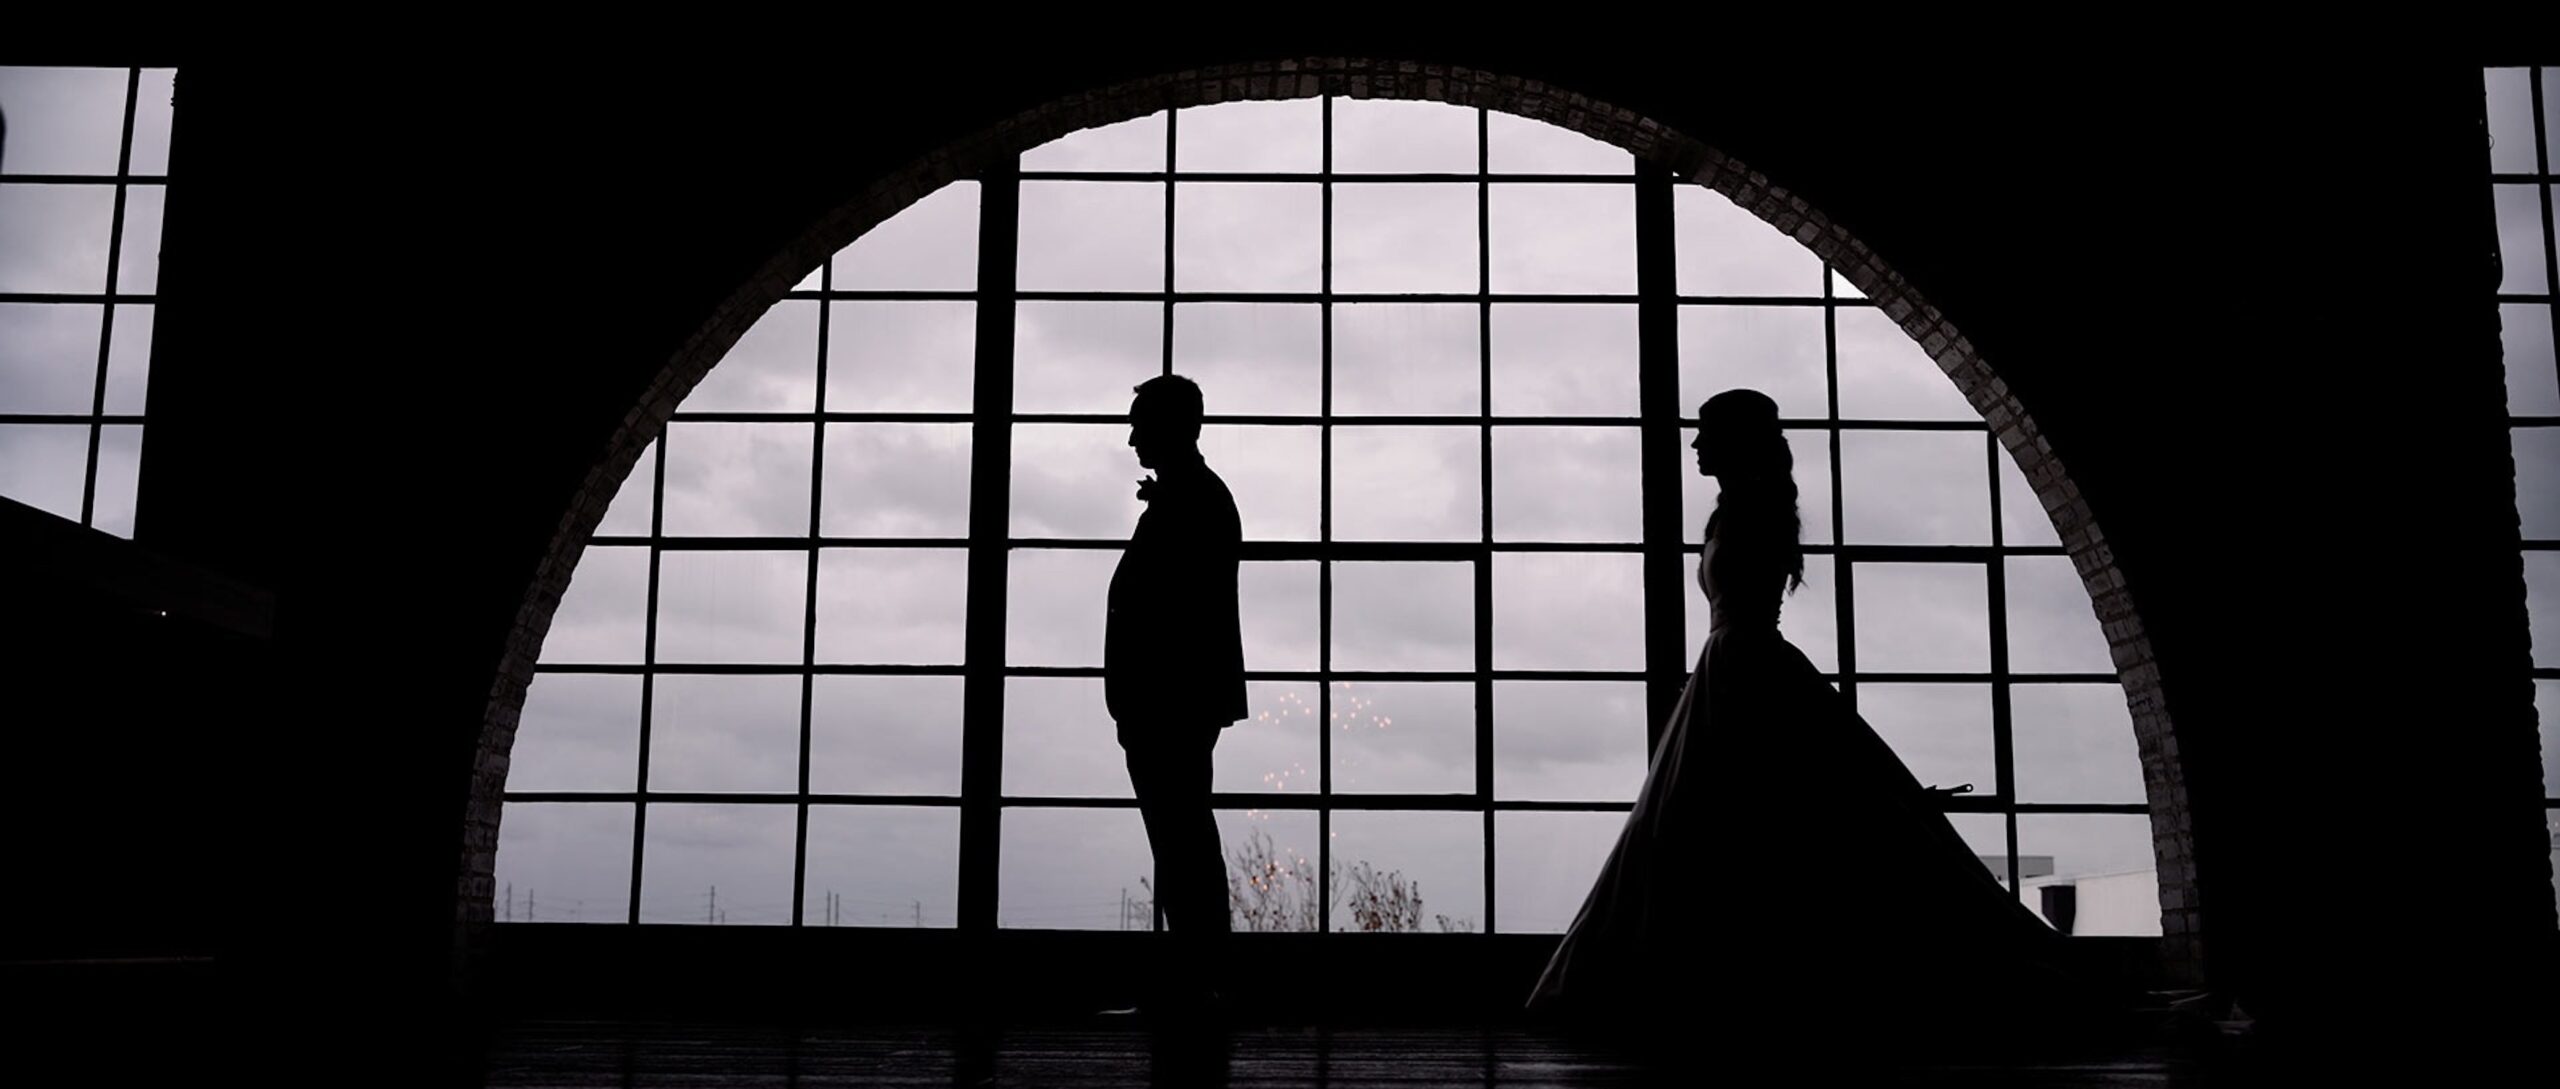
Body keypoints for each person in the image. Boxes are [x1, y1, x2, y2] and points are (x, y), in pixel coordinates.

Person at [1527, 388, 2113, 1054]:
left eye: (1703, 433)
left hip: (1747, 672)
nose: (1693, 445)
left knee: (1732, 829)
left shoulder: (1752, 510)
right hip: (1735, 670)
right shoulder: (1738, 509)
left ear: (1734, 441)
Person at [1106, 373, 1245, 1013]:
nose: (1132, 435)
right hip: (1171, 697)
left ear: (1172, 427)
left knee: (1180, 839)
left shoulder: (1192, 502)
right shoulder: (1197, 497)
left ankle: (1199, 983)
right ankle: (1199, 981)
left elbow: (1173, 609)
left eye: (1141, 423)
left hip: (1168, 699)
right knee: (1183, 837)